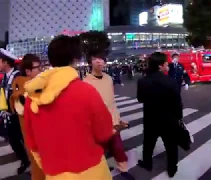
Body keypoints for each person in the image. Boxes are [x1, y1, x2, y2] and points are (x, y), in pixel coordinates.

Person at [23, 35, 114, 179]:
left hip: (54, 173)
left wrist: (48, 166)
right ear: (75, 59)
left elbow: (32, 143)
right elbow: (104, 132)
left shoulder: (32, 97)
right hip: (91, 170)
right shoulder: (86, 91)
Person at [83, 51, 134, 180]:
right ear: (90, 62)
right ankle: (102, 168)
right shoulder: (86, 82)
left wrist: (118, 119)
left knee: (118, 147)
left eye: (101, 59)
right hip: (98, 123)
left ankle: (123, 169)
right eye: (95, 59)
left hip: (113, 120)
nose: (99, 61)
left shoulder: (108, 78)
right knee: (99, 150)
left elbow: (112, 101)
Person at [137, 52, 182, 177]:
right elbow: (177, 102)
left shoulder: (142, 81)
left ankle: (147, 163)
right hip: (169, 120)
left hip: (151, 118)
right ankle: (172, 168)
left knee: (148, 143)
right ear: (160, 66)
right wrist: (179, 117)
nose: (168, 65)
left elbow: (140, 99)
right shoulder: (170, 81)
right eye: (166, 63)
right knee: (171, 146)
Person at [9, 54, 44, 180]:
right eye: (38, 67)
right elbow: (21, 109)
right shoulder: (22, 90)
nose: (41, 70)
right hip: (36, 139)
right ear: (28, 71)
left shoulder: (39, 84)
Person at [0, 48, 30, 174]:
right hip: (10, 116)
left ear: (6, 62)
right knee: (14, 141)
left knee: (25, 140)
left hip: (20, 116)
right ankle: (25, 159)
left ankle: (30, 161)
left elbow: (23, 96)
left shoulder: (18, 77)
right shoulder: (5, 78)